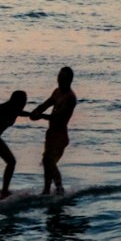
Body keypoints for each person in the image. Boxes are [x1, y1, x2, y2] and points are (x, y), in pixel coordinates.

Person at [30, 66, 77, 195]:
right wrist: (36, 111)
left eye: (63, 79)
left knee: (48, 161)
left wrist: (40, 116)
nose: (59, 81)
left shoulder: (70, 97)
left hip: (60, 136)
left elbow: (58, 117)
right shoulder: (56, 92)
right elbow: (46, 104)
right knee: (47, 163)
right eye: (59, 77)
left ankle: (59, 189)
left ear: (69, 81)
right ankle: (47, 190)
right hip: (51, 134)